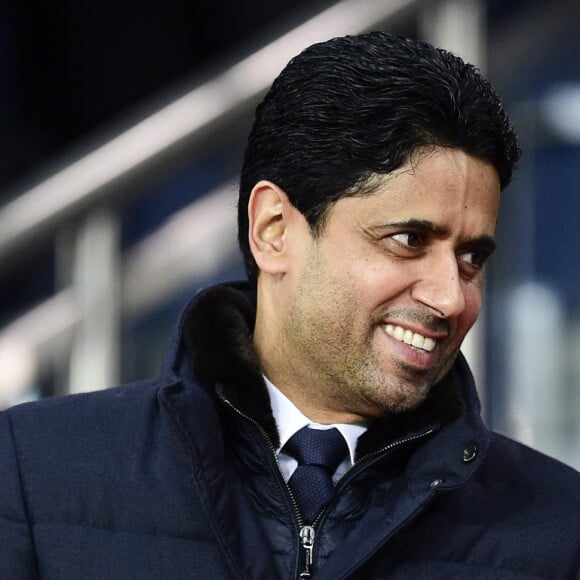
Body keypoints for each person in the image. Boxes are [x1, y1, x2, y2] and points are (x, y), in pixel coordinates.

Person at [1, 31, 578, 580]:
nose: (451, 296)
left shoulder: (559, 528)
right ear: (273, 230)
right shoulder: (35, 468)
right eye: (408, 241)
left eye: (471, 258)